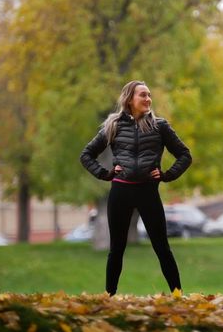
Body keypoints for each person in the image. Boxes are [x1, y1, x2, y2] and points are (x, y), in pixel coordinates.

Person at [80, 80, 192, 296]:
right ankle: (108, 297)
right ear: (130, 99)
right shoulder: (113, 125)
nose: (148, 99)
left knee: (162, 249)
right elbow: (86, 155)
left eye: (149, 95)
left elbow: (185, 155)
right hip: (121, 192)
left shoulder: (160, 126)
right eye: (143, 95)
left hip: (148, 193)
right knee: (116, 250)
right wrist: (105, 174)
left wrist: (167, 175)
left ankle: (178, 296)